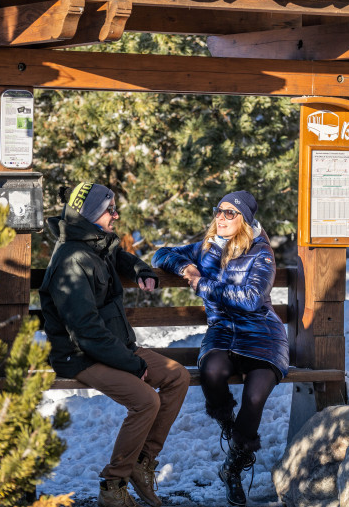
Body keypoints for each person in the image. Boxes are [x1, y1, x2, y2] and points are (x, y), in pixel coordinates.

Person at [39, 182, 190, 507]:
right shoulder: (71, 261)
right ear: (91, 215)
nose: (116, 214)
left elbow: (117, 255)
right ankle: (114, 485)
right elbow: (86, 332)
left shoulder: (92, 245)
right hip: (81, 355)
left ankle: (142, 462)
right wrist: (133, 365)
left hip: (112, 347)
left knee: (178, 376)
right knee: (146, 401)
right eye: (109, 210)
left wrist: (140, 270)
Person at [152, 191, 289, 507]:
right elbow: (160, 255)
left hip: (262, 336)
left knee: (255, 396)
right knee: (211, 370)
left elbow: (252, 298)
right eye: (219, 211)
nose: (221, 217)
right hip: (223, 335)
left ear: (244, 221)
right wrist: (187, 268)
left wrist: (204, 285)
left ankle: (236, 465)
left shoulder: (261, 253)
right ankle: (230, 427)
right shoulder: (205, 249)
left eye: (230, 213)